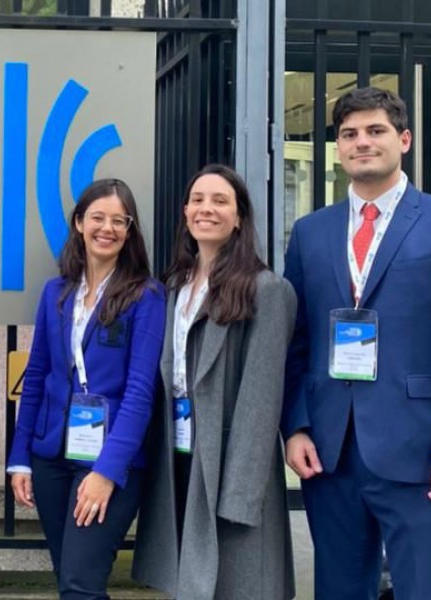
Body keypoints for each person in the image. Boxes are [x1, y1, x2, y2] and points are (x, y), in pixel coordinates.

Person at [282, 87, 431, 599]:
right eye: (350, 134)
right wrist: (296, 426)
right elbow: (296, 343)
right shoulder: (311, 233)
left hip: (422, 456)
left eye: (375, 131)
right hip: (330, 457)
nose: (362, 143)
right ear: (338, 148)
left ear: (403, 139)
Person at [131, 164, 296, 599]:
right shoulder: (173, 288)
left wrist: (240, 495)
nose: (207, 209)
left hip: (230, 464)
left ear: (239, 217)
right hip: (180, 454)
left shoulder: (266, 290)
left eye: (220, 201)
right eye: (198, 200)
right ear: (185, 212)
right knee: (190, 582)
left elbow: (261, 400)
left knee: (237, 586)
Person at [7, 178, 165, 599]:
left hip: (110, 461)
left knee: (80, 582)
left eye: (119, 220)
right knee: (70, 579)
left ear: (129, 231)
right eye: (98, 217)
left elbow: (139, 393)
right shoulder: (56, 293)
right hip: (51, 458)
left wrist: (107, 471)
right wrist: (20, 457)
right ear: (79, 223)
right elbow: (37, 375)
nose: (107, 228)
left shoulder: (146, 296)